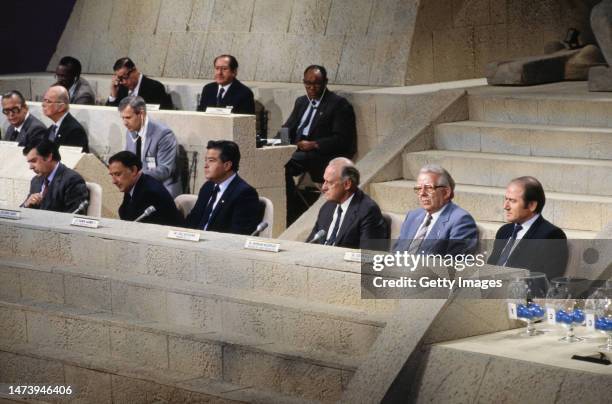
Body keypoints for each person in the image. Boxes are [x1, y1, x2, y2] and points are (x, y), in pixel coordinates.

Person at [283, 65, 356, 224]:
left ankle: (291, 211)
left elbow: (342, 140)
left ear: (325, 82)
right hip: (297, 149)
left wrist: (315, 144)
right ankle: (290, 206)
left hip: (319, 154)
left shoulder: (338, 104)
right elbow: (287, 128)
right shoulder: (301, 101)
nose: (311, 88)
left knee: (284, 165)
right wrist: (275, 143)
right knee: (275, 161)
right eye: (307, 84)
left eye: (316, 83)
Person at [488, 176, 568, 279]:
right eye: (506, 199)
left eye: (512, 201)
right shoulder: (504, 231)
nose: (505, 206)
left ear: (532, 205)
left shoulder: (552, 235)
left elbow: (545, 280)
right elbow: (489, 268)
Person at [393, 164, 478, 255]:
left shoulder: (461, 221)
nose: (422, 193)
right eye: (418, 188)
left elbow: (455, 264)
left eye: (429, 188)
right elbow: (396, 253)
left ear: (446, 192)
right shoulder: (413, 216)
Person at [308, 158, 388, 250]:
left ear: (347, 184)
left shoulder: (367, 211)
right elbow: (309, 244)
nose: (323, 187)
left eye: (329, 182)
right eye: (324, 181)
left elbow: (369, 257)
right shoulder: (327, 207)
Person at [184, 140, 260, 235]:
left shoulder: (245, 194)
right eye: (205, 160)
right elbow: (192, 221)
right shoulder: (207, 187)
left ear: (227, 165)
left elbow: (238, 235)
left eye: (211, 161)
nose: (206, 166)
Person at [118, 96, 181, 197]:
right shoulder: (130, 131)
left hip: (162, 190)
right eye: (123, 118)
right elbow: (128, 160)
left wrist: (135, 177)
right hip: (139, 187)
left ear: (141, 114)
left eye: (128, 118)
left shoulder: (164, 134)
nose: (124, 123)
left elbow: (165, 170)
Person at [108, 151, 183, 226]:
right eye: (112, 175)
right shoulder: (132, 185)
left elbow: (133, 225)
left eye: (118, 174)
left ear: (133, 170)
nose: (114, 181)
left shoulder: (150, 193)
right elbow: (124, 213)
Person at [21, 139, 88, 213]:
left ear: (48, 157)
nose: (30, 167)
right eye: (29, 162)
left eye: (34, 161)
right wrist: (26, 204)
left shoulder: (72, 180)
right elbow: (20, 213)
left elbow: (73, 216)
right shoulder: (35, 181)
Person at [106, 57, 173, 110]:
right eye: (120, 79)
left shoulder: (155, 88)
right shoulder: (120, 88)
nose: (123, 82)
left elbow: (164, 114)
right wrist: (113, 95)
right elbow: (108, 116)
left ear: (135, 70)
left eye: (125, 77)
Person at [42, 85, 89, 153]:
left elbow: (72, 159)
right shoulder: (50, 130)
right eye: (44, 100)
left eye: (48, 101)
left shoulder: (75, 131)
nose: (43, 104)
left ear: (61, 107)